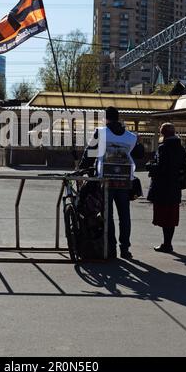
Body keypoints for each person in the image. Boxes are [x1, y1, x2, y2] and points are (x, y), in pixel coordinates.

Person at [80, 107, 138, 260]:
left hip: (105, 178)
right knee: (125, 215)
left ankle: (111, 248)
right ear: (118, 118)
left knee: (108, 215)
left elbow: (90, 153)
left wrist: (81, 168)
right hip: (125, 180)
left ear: (106, 118)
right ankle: (125, 249)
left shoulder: (101, 132)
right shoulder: (131, 136)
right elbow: (136, 154)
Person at [147, 123, 186, 253]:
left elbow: (160, 168)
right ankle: (168, 243)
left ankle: (166, 244)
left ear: (163, 134)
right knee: (171, 216)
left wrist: (150, 167)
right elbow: (185, 166)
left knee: (164, 216)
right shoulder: (181, 148)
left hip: (162, 188)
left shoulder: (163, 148)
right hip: (175, 187)